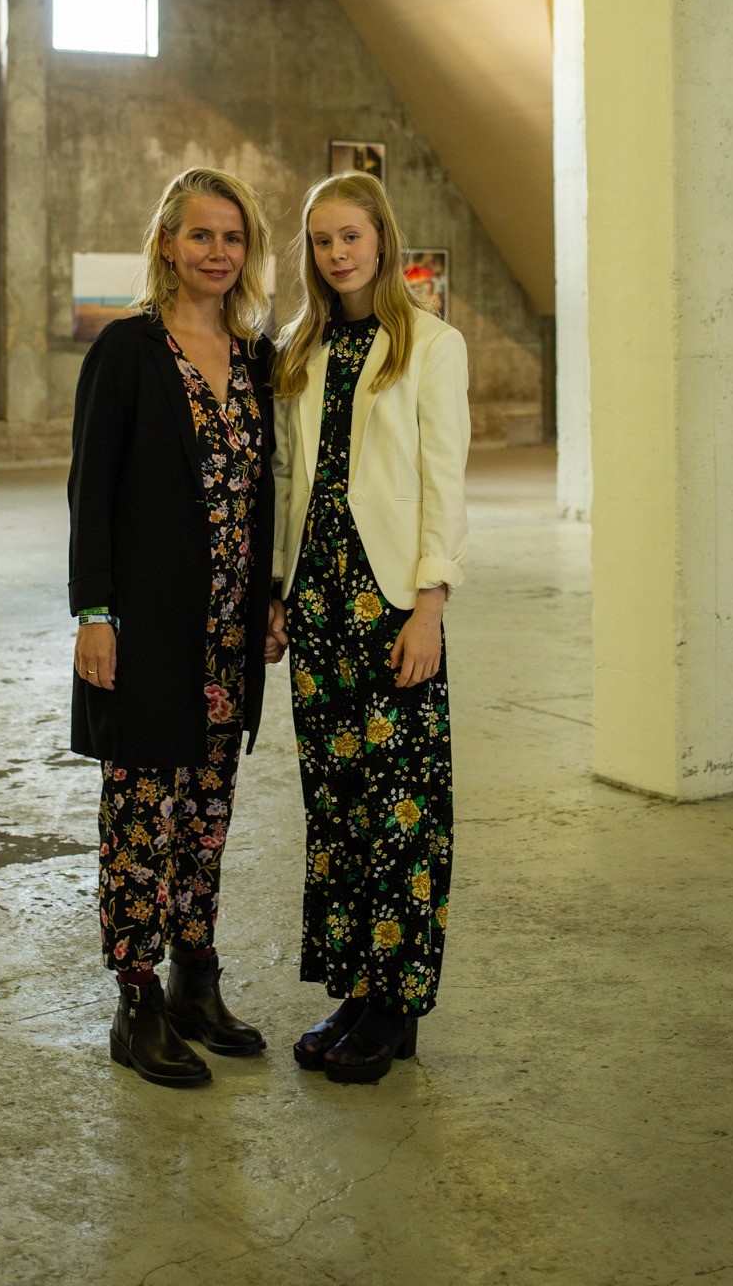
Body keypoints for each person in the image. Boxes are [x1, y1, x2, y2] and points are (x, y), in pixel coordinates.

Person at [68, 168, 277, 1089]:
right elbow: (90, 491)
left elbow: (269, 494)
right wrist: (94, 614)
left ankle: (197, 977)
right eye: (201, 235)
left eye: (233, 238)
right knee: (140, 818)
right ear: (166, 243)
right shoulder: (128, 350)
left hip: (228, 635)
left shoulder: (256, 358)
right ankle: (137, 1000)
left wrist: (269, 596)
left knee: (206, 813)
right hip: (148, 629)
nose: (217, 253)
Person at [268, 173, 469, 1084]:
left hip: (390, 607)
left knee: (401, 810)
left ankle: (396, 1003)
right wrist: (277, 590)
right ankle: (355, 990)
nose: (336, 254)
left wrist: (430, 603)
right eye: (321, 241)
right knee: (338, 808)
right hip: (318, 606)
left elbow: (442, 481)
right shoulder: (300, 348)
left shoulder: (431, 345)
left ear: (382, 239)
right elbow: (288, 481)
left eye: (349, 236)